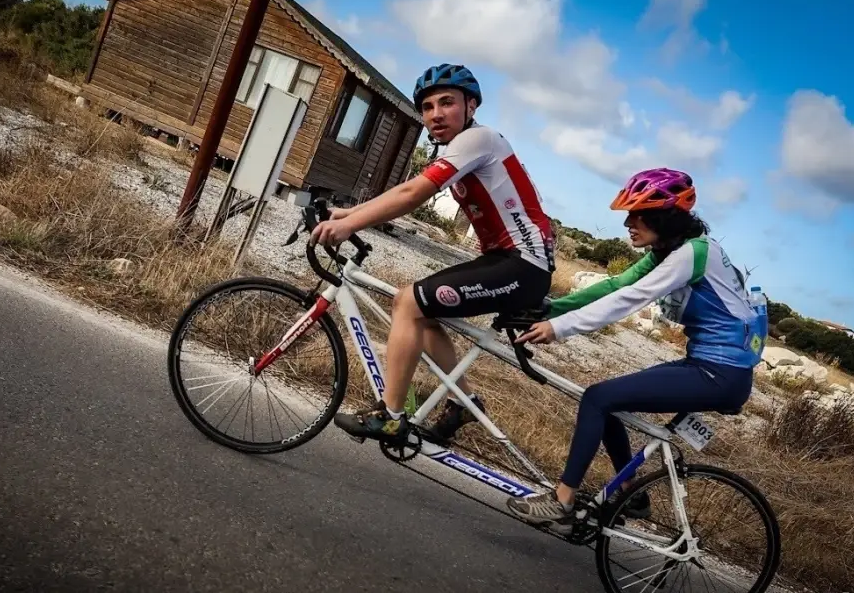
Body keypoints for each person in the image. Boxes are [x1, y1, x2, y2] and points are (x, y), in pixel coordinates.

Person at [503, 167, 765, 528]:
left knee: (597, 398)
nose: (628, 222)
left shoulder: (690, 255)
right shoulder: (671, 250)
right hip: (708, 365)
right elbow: (618, 285)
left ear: (664, 217)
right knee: (608, 401)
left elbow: (630, 299)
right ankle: (632, 495)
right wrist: (554, 308)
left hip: (719, 374)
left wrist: (558, 328)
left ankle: (562, 500)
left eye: (637, 214)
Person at [310, 63, 555, 443]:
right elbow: (408, 189)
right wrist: (349, 213)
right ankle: (462, 402)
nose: (436, 114)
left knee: (408, 302)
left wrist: (350, 225)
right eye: (427, 107)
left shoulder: (478, 140)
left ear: (471, 106)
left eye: (446, 103)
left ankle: (391, 416)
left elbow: (413, 194)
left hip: (524, 265)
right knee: (419, 310)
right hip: (505, 260)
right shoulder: (462, 147)